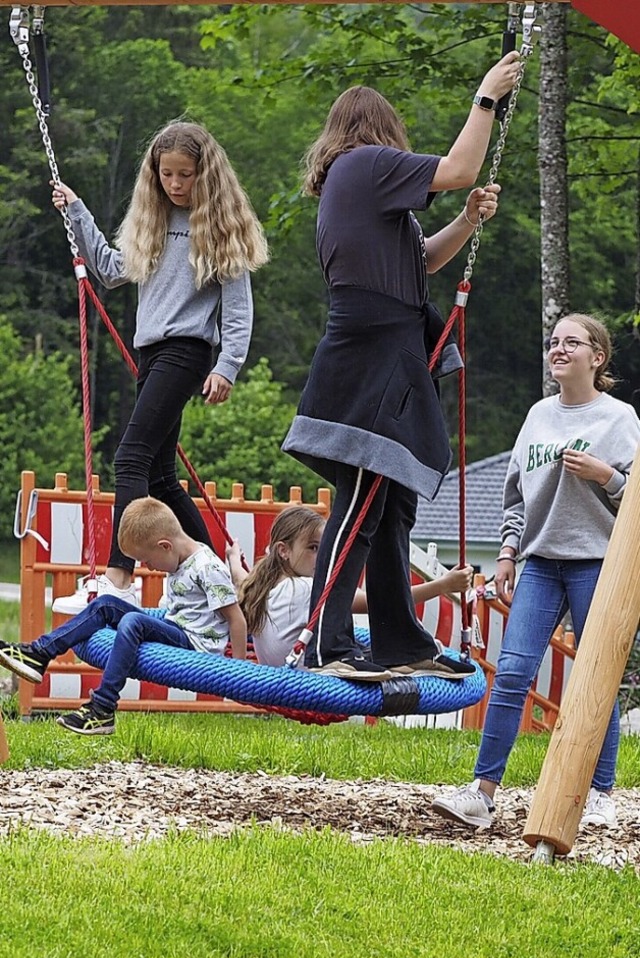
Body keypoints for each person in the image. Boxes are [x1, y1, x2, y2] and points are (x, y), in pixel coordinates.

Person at [282, 56, 521, 681]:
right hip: (374, 353)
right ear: (379, 130)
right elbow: (461, 167)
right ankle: (328, 643)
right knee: (362, 500)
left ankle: (398, 641)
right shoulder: (364, 165)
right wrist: (485, 98)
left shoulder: (363, 192)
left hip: (383, 346)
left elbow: (423, 264)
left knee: (391, 507)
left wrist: (466, 220)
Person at [50, 121, 268, 615]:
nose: (175, 184)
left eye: (185, 175)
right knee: (163, 478)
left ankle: (118, 579)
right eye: (166, 174)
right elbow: (108, 270)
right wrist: (78, 213)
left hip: (187, 352)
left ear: (204, 174)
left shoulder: (218, 229)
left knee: (129, 459)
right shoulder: (153, 217)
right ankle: (226, 578)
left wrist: (228, 367)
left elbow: (238, 309)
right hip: (150, 354)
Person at [432, 314, 640, 830]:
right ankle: (481, 795)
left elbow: (635, 498)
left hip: (600, 564)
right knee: (512, 675)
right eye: (554, 342)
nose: (559, 349)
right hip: (541, 564)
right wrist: (506, 552)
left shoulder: (620, 419)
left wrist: (607, 476)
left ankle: (599, 794)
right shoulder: (539, 416)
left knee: (598, 680)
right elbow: (515, 498)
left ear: (598, 357)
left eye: (573, 342)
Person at [0, 497, 247, 736]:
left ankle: (103, 707)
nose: (147, 567)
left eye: (147, 560)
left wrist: (237, 672)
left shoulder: (206, 567)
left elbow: (236, 619)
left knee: (132, 621)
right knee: (105, 604)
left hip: (195, 645)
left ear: (165, 546)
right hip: (176, 627)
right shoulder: (177, 558)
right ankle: (38, 653)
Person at [226, 506, 474, 669]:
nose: (322, 557)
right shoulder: (304, 589)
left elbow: (240, 577)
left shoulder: (261, 587)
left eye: (324, 549)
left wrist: (233, 558)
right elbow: (379, 603)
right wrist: (444, 585)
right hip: (312, 679)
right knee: (402, 652)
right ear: (283, 551)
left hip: (285, 674)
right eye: (313, 548)